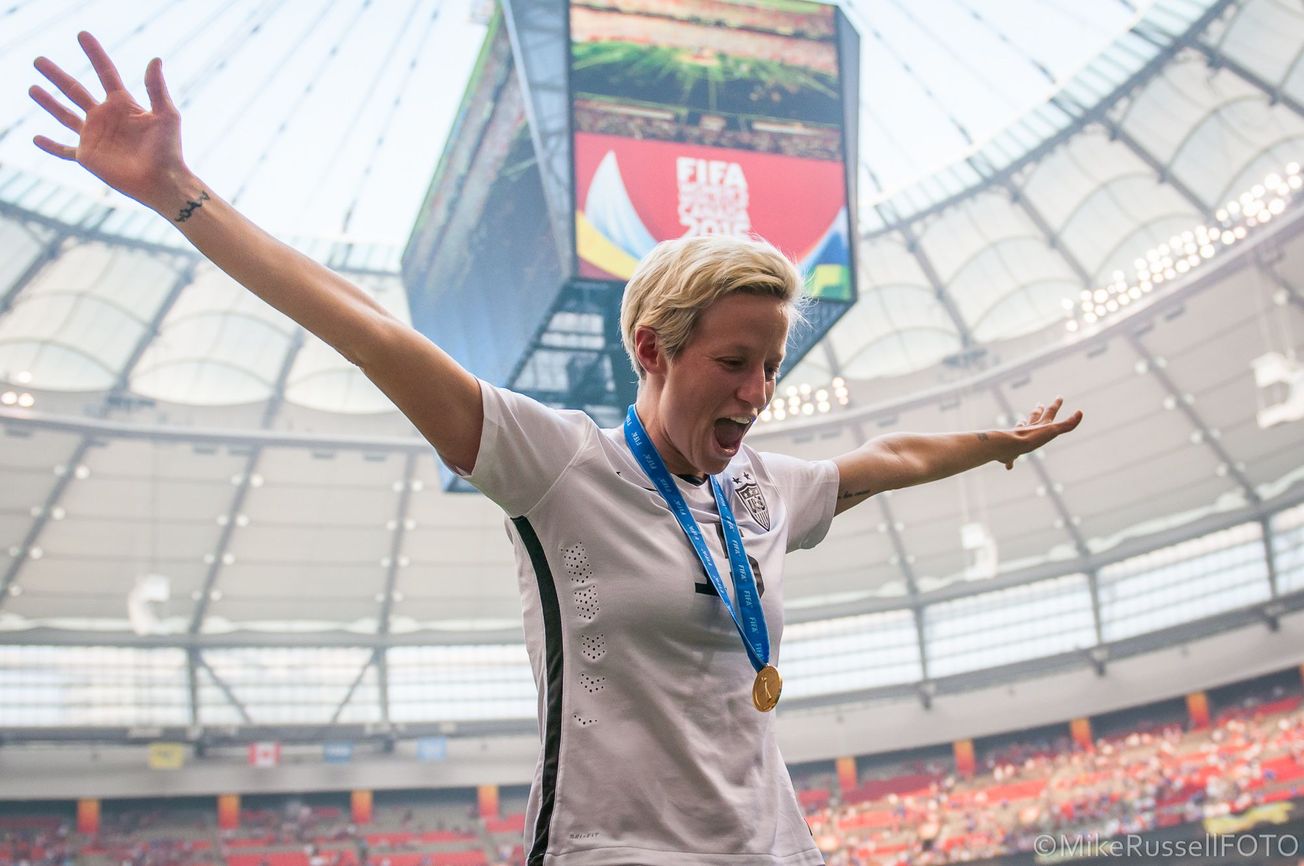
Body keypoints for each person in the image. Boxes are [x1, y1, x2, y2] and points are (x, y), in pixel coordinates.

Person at [29, 33, 1083, 866]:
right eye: (732, 361)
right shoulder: (559, 463)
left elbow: (885, 457)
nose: (758, 395)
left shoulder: (765, 486)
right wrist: (181, 196)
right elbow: (369, 331)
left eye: (770, 366)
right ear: (650, 349)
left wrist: (995, 444)